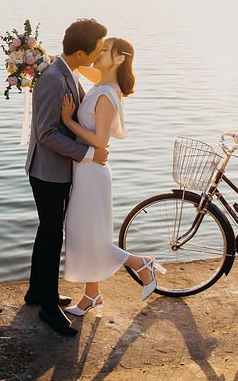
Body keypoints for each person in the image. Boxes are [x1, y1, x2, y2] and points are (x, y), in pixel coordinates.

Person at [60, 37, 164, 317]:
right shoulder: (103, 82)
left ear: (118, 59)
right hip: (86, 170)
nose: (98, 52)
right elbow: (77, 65)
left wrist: (68, 121)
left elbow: (101, 141)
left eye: (105, 50)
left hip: (92, 174)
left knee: (87, 236)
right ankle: (91, 295)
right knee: (87, 233)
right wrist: (46, 58)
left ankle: (141, 263)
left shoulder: (106, 94)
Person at [25, 18, 108, 337]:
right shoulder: (52, 78)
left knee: (47, 230)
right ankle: (48, 307)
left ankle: (36, 291)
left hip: (58, 169)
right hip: (48, 171)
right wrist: (88, 153)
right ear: (80, 52)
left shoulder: (67, 70)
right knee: (52, 235)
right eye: (98, 48)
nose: (100, 52)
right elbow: (46, 133)